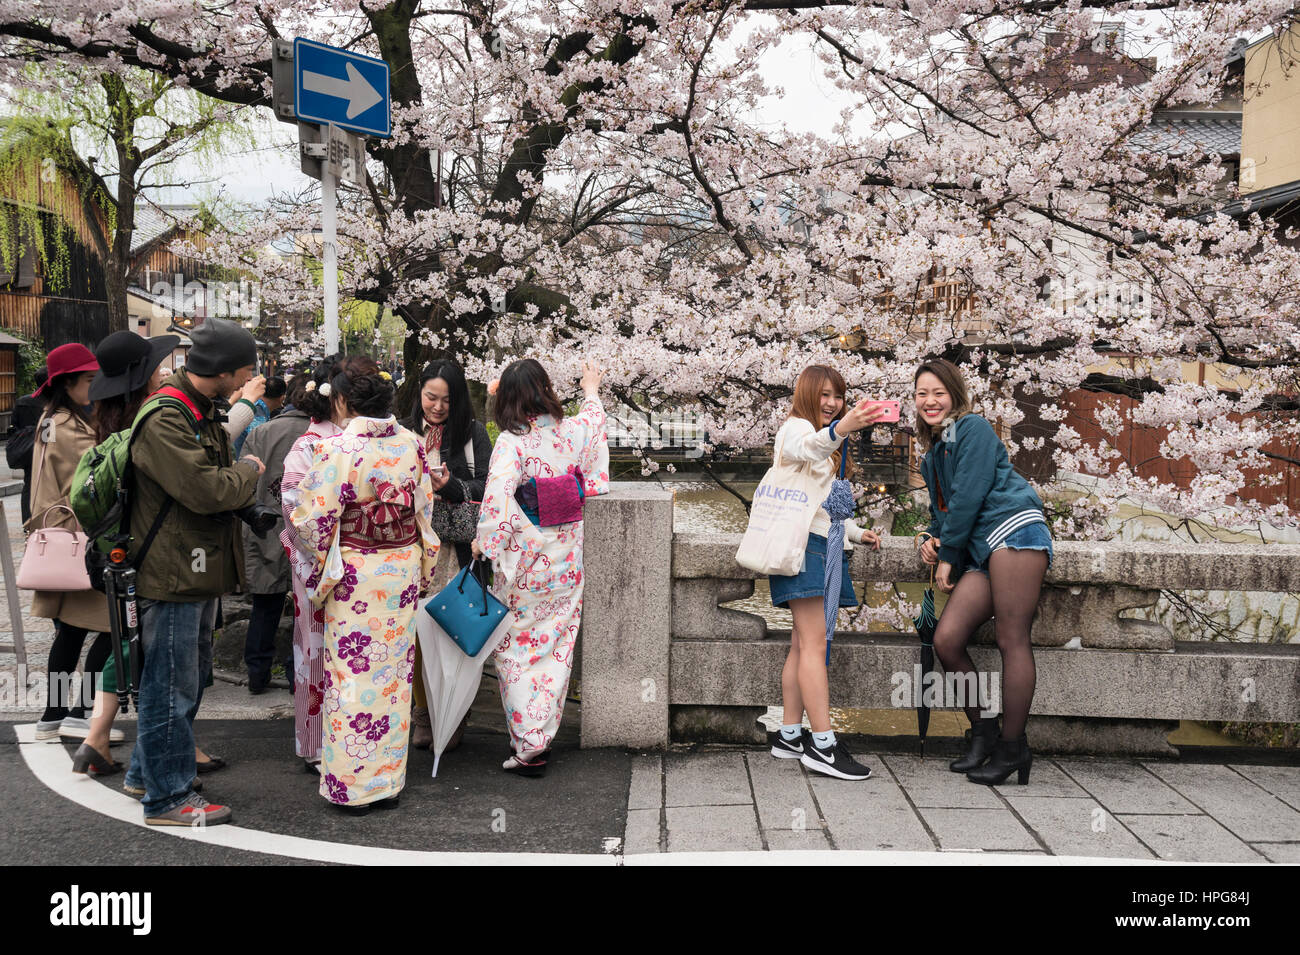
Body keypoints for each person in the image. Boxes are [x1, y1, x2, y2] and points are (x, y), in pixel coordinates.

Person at [122, 317, 263, 826]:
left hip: (193, 567)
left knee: (184, 678)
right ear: (224, 371)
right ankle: (166, 799)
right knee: (171, 684)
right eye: (246, 369)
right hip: (173, 572)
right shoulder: (167, 417)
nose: (250, 377)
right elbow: (206, 490)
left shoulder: (198, 410)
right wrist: (247, 472)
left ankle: (146, 773)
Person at [290, 357, 439, 812]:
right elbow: (422, 509)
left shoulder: (336, 450)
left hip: (356, 574)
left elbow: (311, 519)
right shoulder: (412, 445)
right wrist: (422, 567)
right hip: (400, 571)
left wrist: (322, 556)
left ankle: (353, 786)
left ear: (342, 401)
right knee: (393, 676)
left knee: (351, 675)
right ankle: (386, 784)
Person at [915, 358, 1053, 786]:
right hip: (981, 552)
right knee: (947, 640)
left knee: (1013, 639)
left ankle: (1013, 748)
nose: (930, 401)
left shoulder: (971, 428)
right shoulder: (933, 455)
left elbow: (972, 493)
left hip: (1013, 531)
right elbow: (946, 510)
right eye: (921, 394)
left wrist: (950, 555)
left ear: (955, 395)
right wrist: (930, 537)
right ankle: (984, 730)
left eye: (939, 392)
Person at [471, 358, 609, 776]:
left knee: (516, 651)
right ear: (546, 390)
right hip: (566, 561)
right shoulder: (570, 433)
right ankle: (540, 739)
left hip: (526, 565)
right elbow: (593, 426)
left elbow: (497, 497)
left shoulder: (512, 443)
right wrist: (590, 387)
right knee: (557, 650)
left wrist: (487, 542)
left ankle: (528, 745)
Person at [67, 330, 179, 776]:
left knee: (129, 643)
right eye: (159, 366)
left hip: (116, 552)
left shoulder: (109, 419)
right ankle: (102, 739)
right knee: (146, 646)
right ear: (144, 376)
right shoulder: (149, 424)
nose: (166, 371)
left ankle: (97, 739)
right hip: (147, 550)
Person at [765, 365, 884, 781]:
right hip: (804, 552)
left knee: (801, 645)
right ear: (807, 395)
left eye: (839, 397)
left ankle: (789, 734)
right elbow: (807, 449)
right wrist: (842, 429)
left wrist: (855, 531)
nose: (832, 404)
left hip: (818, 544)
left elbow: (818, 508)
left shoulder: (827, 439)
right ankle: (824, 746)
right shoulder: (795, 430)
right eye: (825, 395)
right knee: (814, 646)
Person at [399, 360, 492, 749]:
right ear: (419, 393)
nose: (436, 407)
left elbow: (489, 484)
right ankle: (422, 712)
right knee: (416, 634)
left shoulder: (472, 433)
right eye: (430, 397)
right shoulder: (402, 431)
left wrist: (451, 485)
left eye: (446, 400)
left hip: (456, 550)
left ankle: (452, 712)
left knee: (453, 631)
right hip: (412, 547)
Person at [27, 345, 114, 745]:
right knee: (111, 626)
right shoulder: (68, 427)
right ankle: (79, 711)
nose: (94, 388)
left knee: (72, 633)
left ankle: (54, 714)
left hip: (61, 539)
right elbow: (98, 473)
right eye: (88, 381)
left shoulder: (51, 420)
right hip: (79, 541)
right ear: (66, 383)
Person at [280, 359, 343, 771]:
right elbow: (293, 509)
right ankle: (323, 743)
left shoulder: (319, 445)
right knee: (322, 649)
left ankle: (323, 743)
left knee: (318, 651)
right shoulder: (312, 445)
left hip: (327, 561)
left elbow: (292, 509)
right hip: (335, 563)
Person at [240, 376, 310, 694]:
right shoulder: (325, 435)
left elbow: (244, 484)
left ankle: (257, 673)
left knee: (265, 605)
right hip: (308, 530)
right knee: (305, 608)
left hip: (266, 523)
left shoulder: (261, 431)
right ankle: (299, 674)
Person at [10, 366, 46, 525]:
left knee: (29, 484)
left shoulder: (22, 402)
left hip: (26, 449)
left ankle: (27, 521)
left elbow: (14, 427)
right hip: (45, 446)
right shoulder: (51, 402)